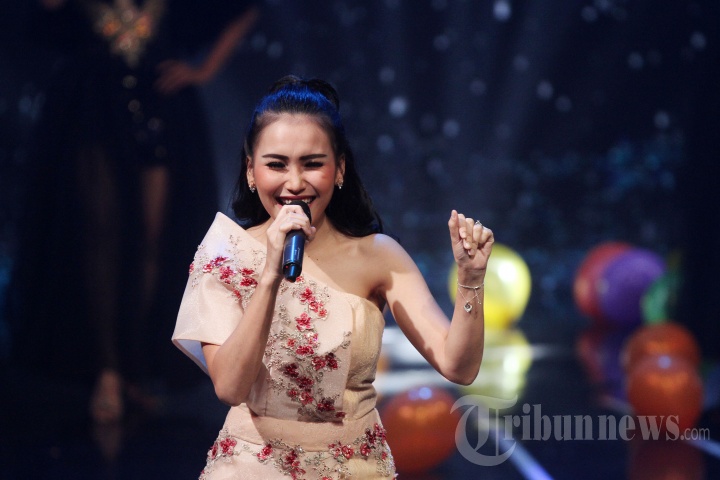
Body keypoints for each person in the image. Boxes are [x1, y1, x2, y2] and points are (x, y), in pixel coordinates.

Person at [172, 75, 493, 479]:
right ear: (251, 171)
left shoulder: (378, 256)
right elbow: (230, 387)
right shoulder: (227, 253)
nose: (294, 183)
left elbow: (458, 367)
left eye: (312, 164)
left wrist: (471, 279)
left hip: (356, 466)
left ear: (339, 169)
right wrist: (269, 275)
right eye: (276, 164)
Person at [11, 0, 259, 425]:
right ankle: (107, 371)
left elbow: (243, 9)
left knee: (151, 243)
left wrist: (204, 70)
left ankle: (132, 367)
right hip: (93, 104)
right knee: (100, 236)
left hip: (158, 100)